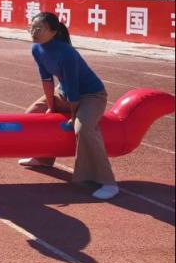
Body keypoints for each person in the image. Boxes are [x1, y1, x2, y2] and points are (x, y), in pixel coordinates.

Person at [18, 12, 118, 200]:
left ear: (54, 31)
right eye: (32, 27)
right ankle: (43, 157)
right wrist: (51, 106)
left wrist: (74, 115)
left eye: (40, 28)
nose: (34, 32)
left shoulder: (66, 53)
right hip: (63, 92)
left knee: (83, 128)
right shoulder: (36, 48)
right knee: (31, 115)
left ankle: (107, 182)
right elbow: (47, 79)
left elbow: (73, 87)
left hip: (91, 95)